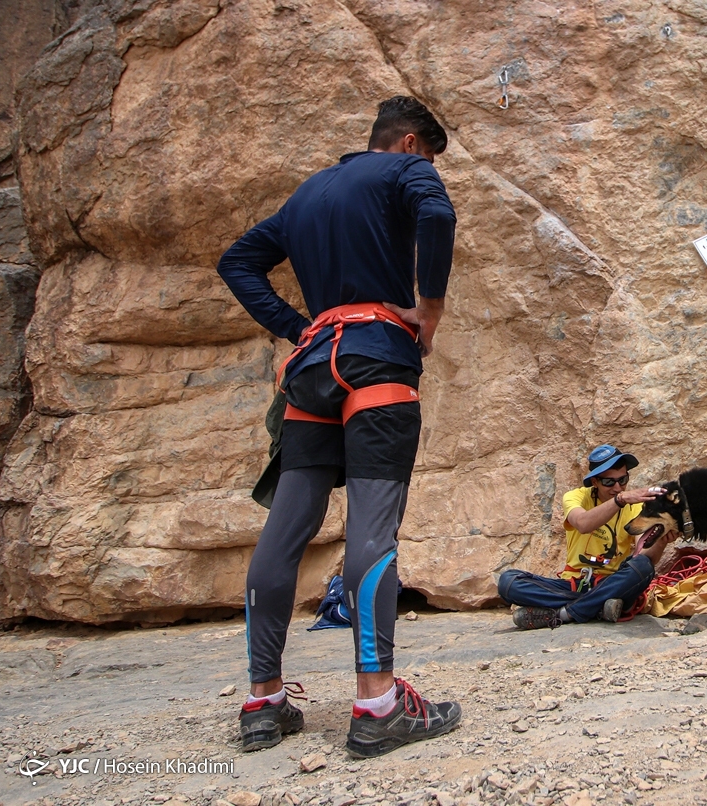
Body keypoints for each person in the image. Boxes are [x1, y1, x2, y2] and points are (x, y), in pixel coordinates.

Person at [216, 96, 460, 758]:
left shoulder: (306, 195)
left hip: (313, 370)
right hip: (378, 357)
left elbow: (236, 262)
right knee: (372, 531)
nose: (430, 169)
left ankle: (263, 702)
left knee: (284, 532)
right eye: (430, 157)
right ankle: (377, 702)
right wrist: (429, 309)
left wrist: (299, 328)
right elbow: (437, 214)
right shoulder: (406, 173)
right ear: (410, 144)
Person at [498, 444, 675, 629]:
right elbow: (583, 523)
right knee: (508, 582)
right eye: (609, 482)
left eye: (623, 480)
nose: (618, 487)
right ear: (595, 482)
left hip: (612, 582)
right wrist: (620, 500)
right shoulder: (575, 497)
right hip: (574, 583)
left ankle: (563, 613)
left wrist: (661, 541)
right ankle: (597, 607)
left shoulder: (636, 508)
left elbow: (645, 555)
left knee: (643, 567)